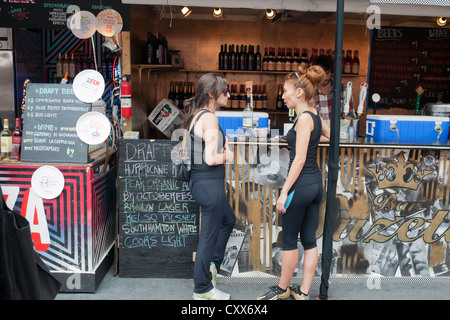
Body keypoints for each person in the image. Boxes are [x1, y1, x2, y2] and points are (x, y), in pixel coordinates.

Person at [257, 66, 330, 300]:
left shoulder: (304, 119)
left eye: (286, 90)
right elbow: (329, 136)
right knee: (309, 239)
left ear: (299, 92)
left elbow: (298, 159)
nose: (283, 95)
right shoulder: (313, 115)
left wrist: (284, 192)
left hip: (299, 187)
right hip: (315, 186)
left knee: (289, 240)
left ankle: (282, 288)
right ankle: (304, 293)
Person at [183, 73, 236, 300]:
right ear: (212, 94)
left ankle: (212, 266)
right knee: (207, 237)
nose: (229, 94)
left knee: (228, 220)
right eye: (225, 91)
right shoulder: (210, 118)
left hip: (202, 182)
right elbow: (212, 158)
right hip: (209, 184)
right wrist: (230, 155)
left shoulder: (197, 115)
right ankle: (202, 288)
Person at [312, 54, 354, 126]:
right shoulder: (310, 92)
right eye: (321, 74)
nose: (324, 78)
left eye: (327, 73)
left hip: (339, 135)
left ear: (331, 72)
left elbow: (351, 115)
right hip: (319, 136)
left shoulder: (344, 90)